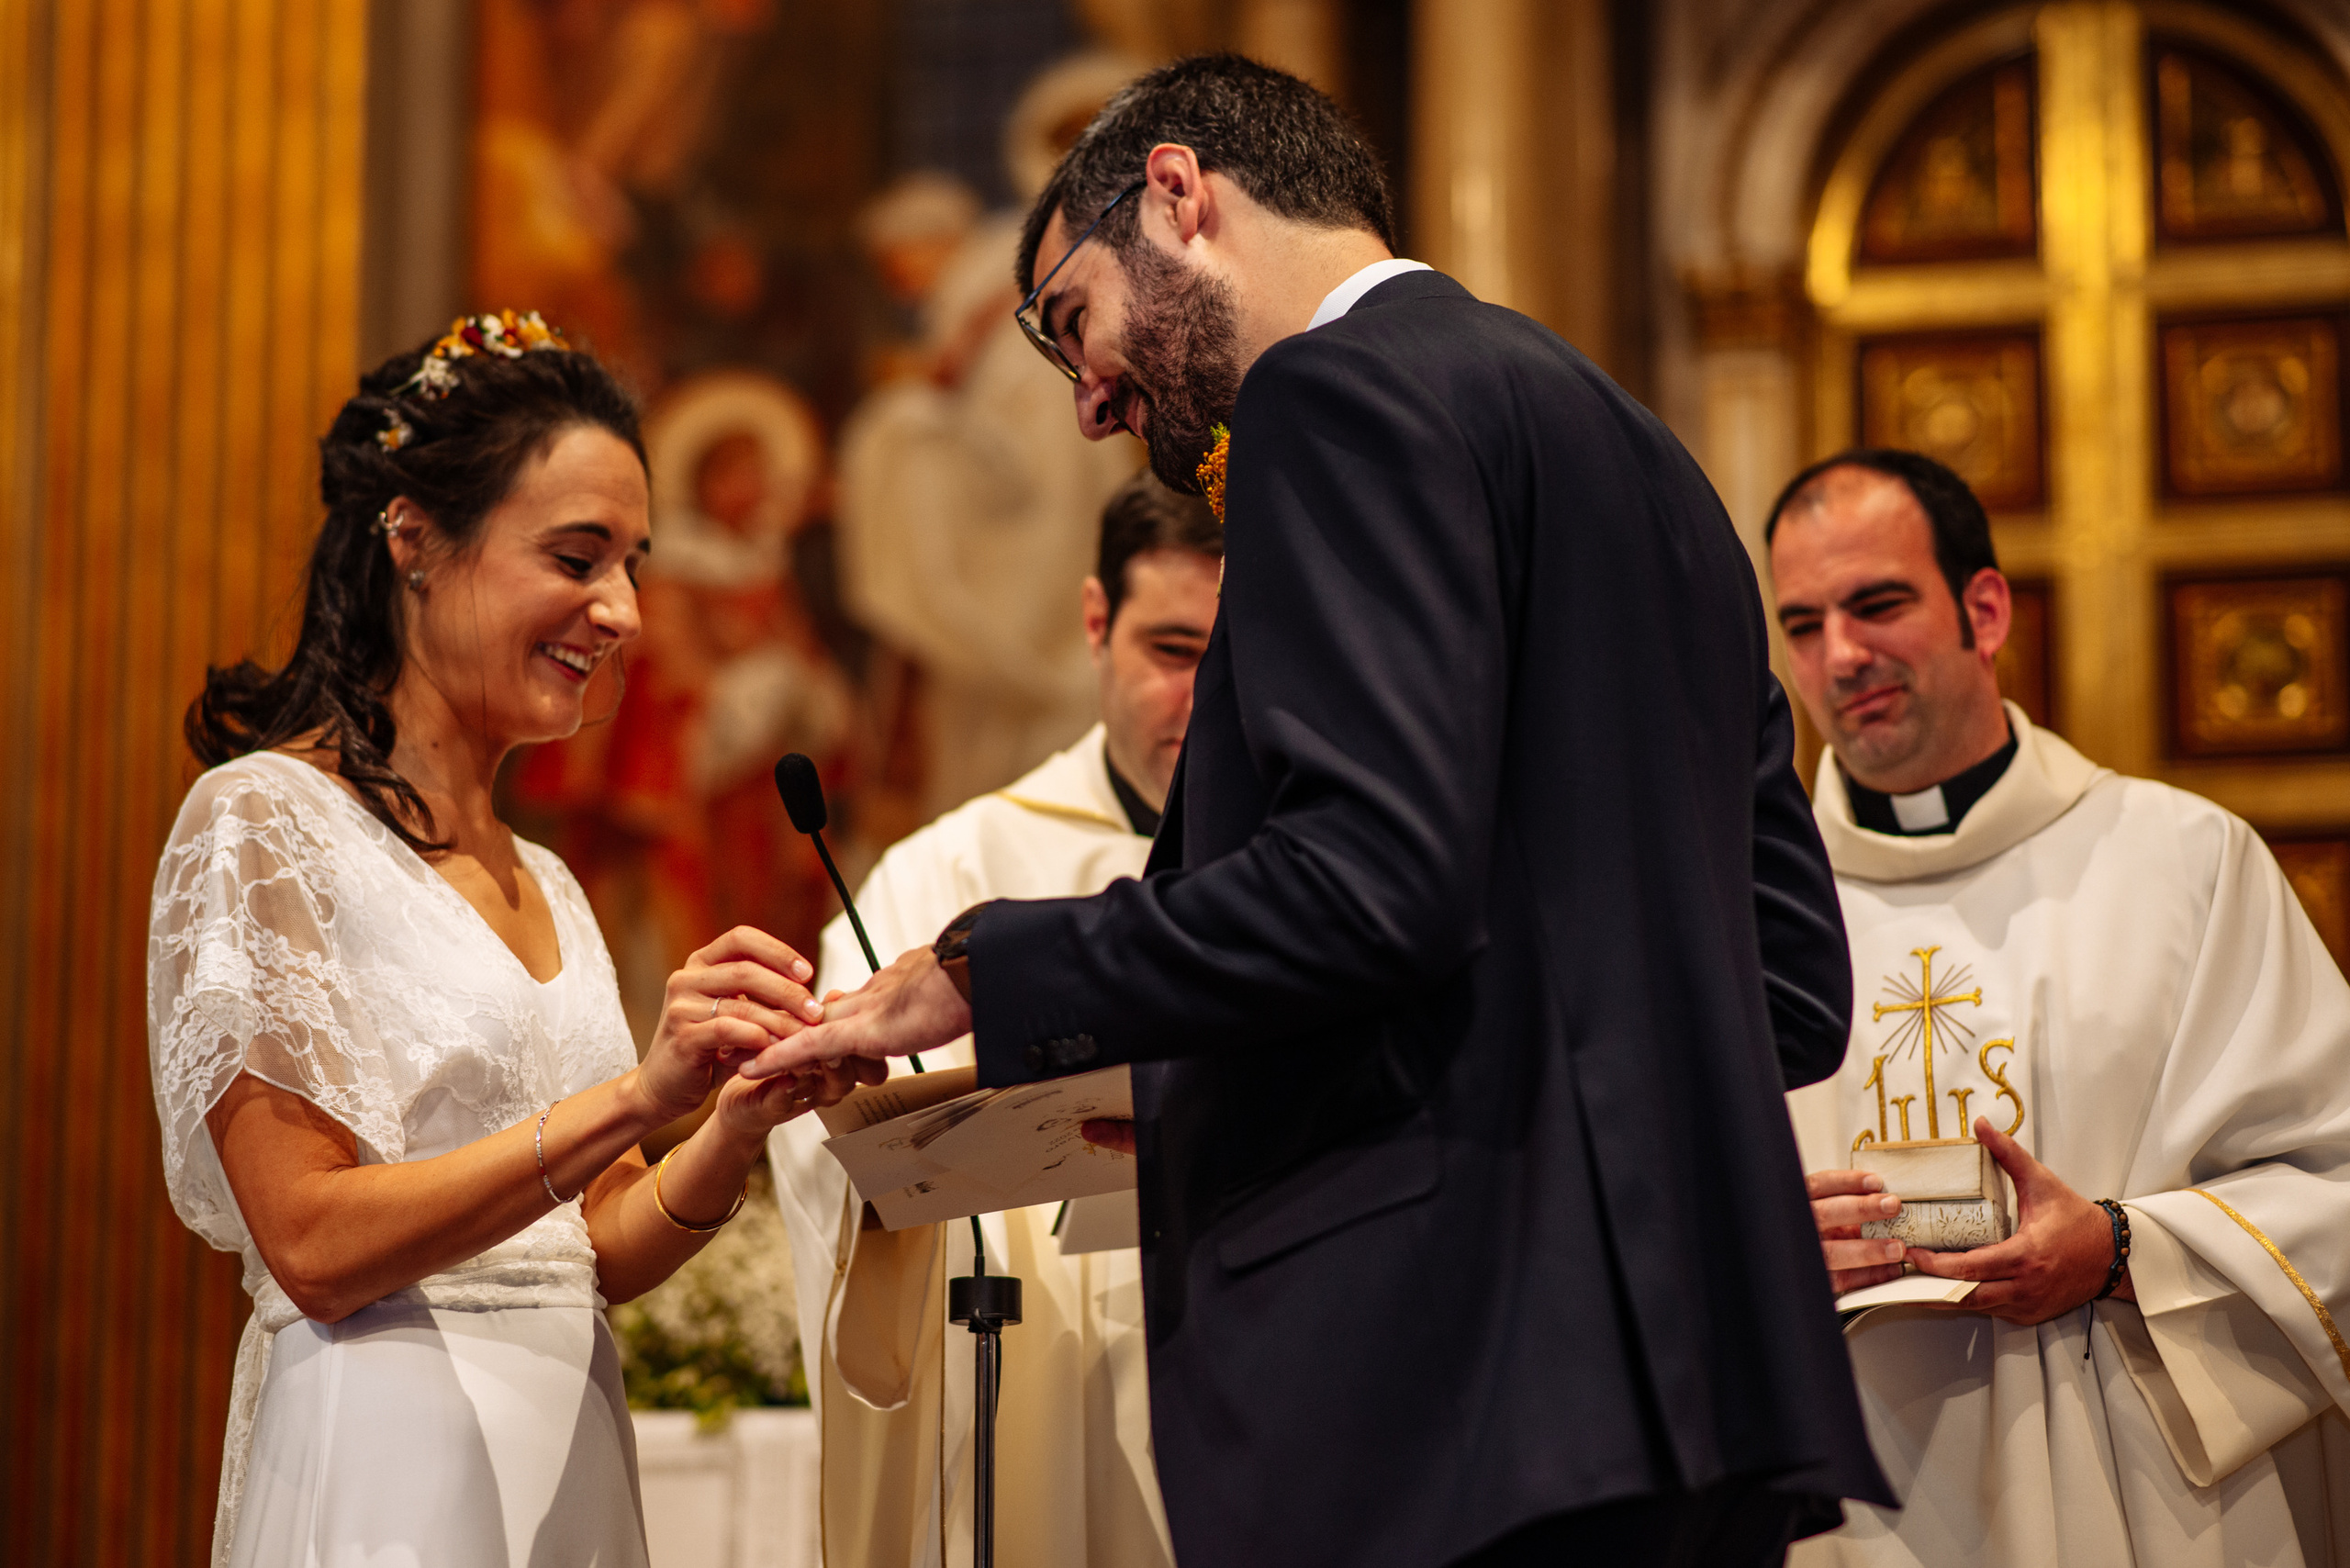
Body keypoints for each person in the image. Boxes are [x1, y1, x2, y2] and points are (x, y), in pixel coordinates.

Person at [746, 55, 1888, 1568]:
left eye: (1072, 319)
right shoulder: (1652, 462)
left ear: (1177, 194)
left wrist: (986, 968)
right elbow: (1790, 989)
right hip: (1690, 1398)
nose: (1087, 401)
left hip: (1441, 1386)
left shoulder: (1329, 395)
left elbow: (1371, 884)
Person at [148, 313, 831, 1566]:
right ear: (413, 537)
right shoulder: (264, 821)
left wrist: (732, 1121)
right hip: (393, 1449)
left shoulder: (551, 881)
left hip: (572, 1450)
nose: (622, 611)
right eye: (577, 559)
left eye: (632, 566)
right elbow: (312, 1243)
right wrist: (635, 1098)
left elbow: (596, 1246)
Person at [1771, 449, 2350, 1567]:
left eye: (1877, 604)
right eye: (1803, 624)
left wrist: (2122, 1246)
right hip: (1852, 1508)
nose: (1840, 655)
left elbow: (2333, 1178)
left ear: (1983, 610)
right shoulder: (1743, 909)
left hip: (2135, 1490)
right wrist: (1763, 1241)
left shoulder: (2184, 862)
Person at [769, 469, 1217, 1568]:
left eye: (1237, 662)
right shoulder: (951, 872)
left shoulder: (1322, 879)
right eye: (1172, 652)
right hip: (1046, 1394)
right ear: (1096, 621)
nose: (1205, 700)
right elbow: (827, 1141)